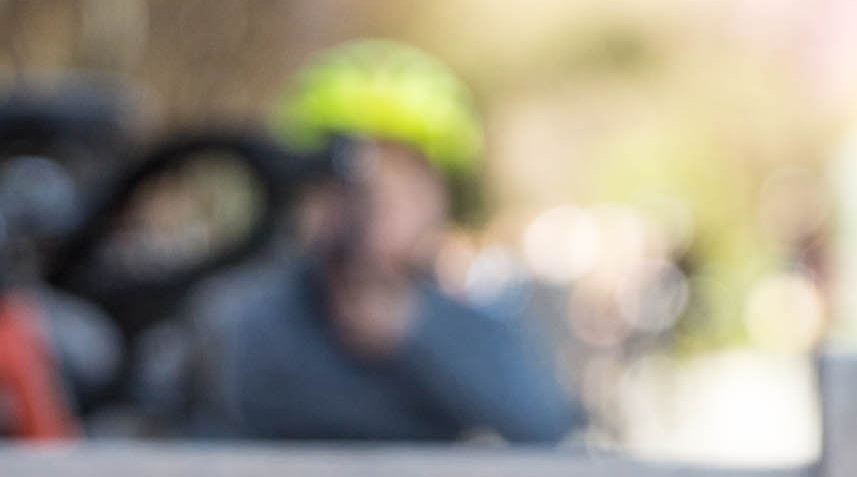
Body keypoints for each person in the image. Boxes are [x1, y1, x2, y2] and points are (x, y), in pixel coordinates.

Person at [193, 41, 581, 446]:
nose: (377, 212)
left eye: (403, 188)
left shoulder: (476, 318)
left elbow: (544, 424)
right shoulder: (241, 317)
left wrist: (415, 332)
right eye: (351, 189)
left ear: (439, 199)